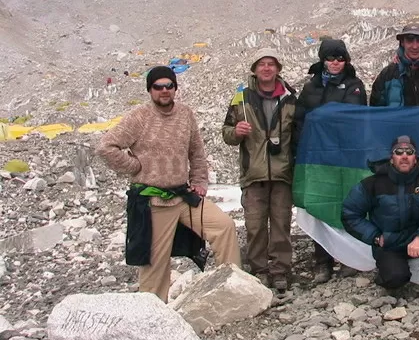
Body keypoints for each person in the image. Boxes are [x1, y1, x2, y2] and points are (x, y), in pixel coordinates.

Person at [97, 66, 241, 302]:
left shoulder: (185, 114)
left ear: (175, 88)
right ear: (150, 90)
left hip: (183, 196)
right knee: (155, 261)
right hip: (154, 201)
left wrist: (199, 180)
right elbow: (106, 147)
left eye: (169, 86)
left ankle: (235, 290)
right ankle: (153, 312)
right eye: (158, 87)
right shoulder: (139, 117)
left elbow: (196, 151)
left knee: (224, 226)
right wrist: (135, 167)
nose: (164, 91)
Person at [341, 136, 419, 306]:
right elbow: (350, 213)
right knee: (395, 279)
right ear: (391, 158)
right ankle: (387, 274)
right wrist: (375, 237)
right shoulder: (372, 184)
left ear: (416, 158)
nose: (404, 156)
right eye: (399, 152)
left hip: (417, 239)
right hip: (389, 243)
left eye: (410, 152)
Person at [221, 50, 297, 294]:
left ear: (278, 69)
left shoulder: (290, 98)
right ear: (254, 69)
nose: (266, 68)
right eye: (262, 64)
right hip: (253, 174)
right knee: (254, 225)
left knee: (281, 223)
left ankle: (280, 270)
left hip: (282, 173)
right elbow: (226, 133)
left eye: (271, 64)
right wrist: (237, 132)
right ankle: (259, 270)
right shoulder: (240, 98)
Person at [295, 38, 367, 283]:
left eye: (340, 58)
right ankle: (322, 262)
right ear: (322, 60)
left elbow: (352, 118)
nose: (335, 63)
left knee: (346, 206)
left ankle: (348, 258)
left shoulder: (355, 86)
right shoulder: (310, 88)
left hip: (344, 158)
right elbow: (299, 121)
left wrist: (321, 120)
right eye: (330, 57)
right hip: (317, 159)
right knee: (319, 206)